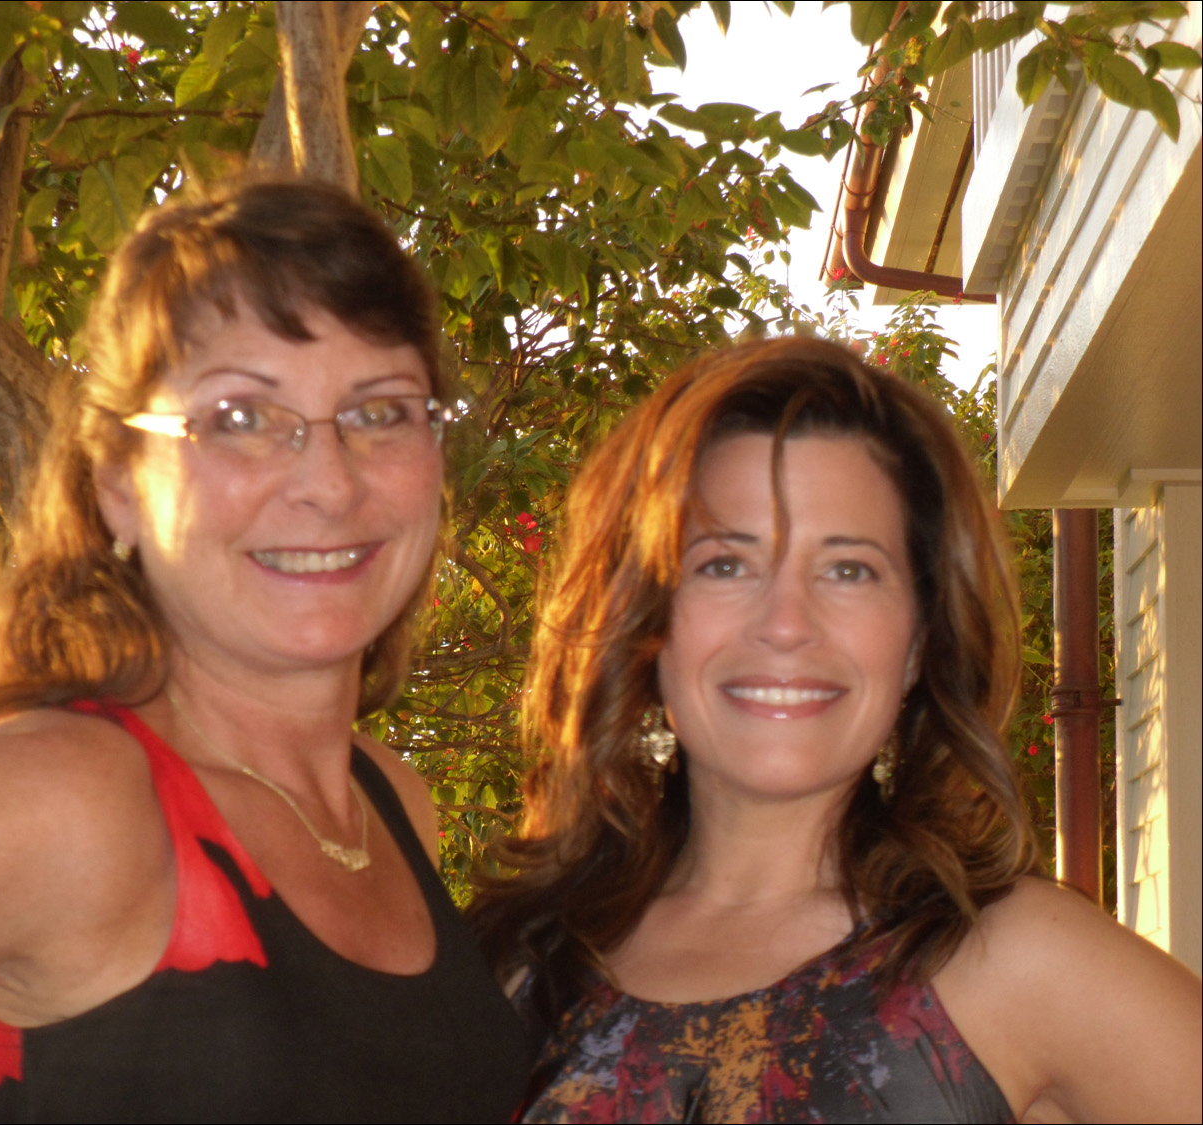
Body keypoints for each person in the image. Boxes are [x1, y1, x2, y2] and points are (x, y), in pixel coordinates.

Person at [0, 181, 529, 1122]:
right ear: (119, 484)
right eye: (241, 419)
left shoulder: (392, 802)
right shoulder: (69, 804)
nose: (327, 480)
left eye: (380, 411)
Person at [470, 337, 1201, 1123]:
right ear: (648, 621)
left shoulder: (1013, 959)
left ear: (920, 640)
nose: (786, 624)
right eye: (725, 563)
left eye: (848, 569)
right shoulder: (514, 968)